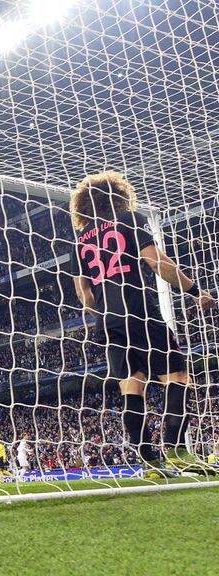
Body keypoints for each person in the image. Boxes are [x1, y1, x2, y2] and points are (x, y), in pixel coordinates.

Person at [70, 171, 214, 476]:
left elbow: (83, 294)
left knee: (132, 386)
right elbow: (158, 264)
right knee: (177, 376)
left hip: (107, 322)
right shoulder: (129, 220)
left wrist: (105, 313)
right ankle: (177, 452)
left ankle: (149, 463)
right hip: (138, 310)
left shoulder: (79, 242)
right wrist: (195, 292)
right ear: (120, 197)